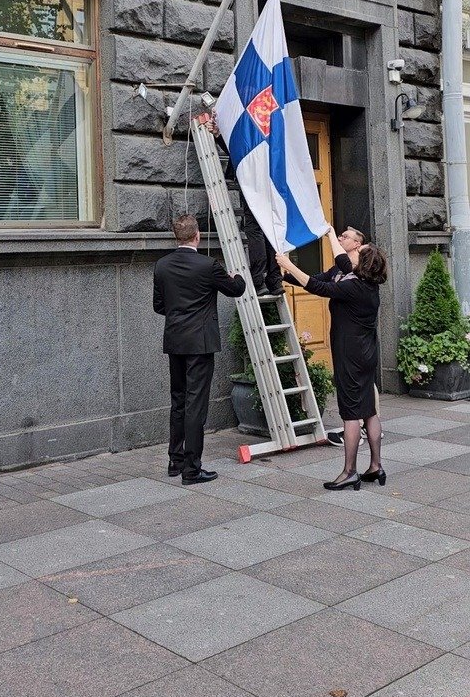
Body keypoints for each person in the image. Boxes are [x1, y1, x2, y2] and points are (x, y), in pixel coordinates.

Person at [276, 227, 387, 492]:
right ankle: (375, 466)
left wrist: (288, 262)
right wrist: (329, 231)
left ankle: (349, 472)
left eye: (358, 251)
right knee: (368, 409)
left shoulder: (352, 287)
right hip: (366, 353)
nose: (352, 254)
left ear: (362, 262)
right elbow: (338, 264)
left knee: (350, 413)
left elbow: (317, 286)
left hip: (350, 355)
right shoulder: (367, 284)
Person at [153, 214, 246, 484]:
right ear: (197, 236)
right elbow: (236, 289)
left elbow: (159, 306)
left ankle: (175, 460)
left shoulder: (162, 265)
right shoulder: (208, 265)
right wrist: (236, 273)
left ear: (176, 236)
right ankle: (192, 470)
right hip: (200, 343)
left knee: (179, 400)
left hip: (175, 341)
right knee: (196, 404)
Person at [208, 115, 284, 296]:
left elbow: (240, 149)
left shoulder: (250, 118)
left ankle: (259, 279)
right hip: (273, 178)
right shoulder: (271, 120)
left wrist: (219, 134)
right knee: (269, 228)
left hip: (253, 178)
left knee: (254, 227)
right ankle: (274, 280)